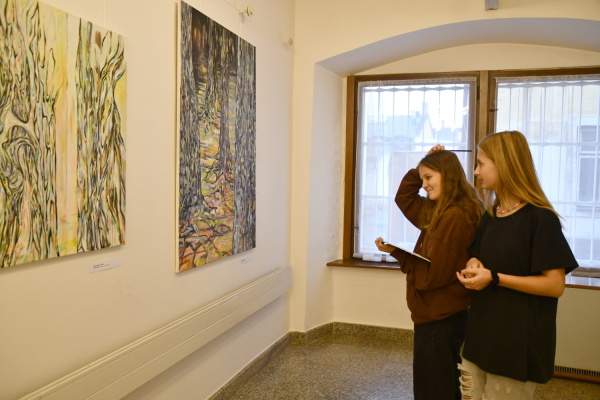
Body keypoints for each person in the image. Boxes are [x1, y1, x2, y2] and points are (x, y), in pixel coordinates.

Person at [456, 130, 578, 400]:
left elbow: (555, 285)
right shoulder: (492, 215)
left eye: (481, 164)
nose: (476, 172)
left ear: (504, 164)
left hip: (516, 343)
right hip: (481, 333)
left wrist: (495, 278)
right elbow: (477, 256)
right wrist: (474, 265)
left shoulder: (540, 219)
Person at [375, 145, 482, 400]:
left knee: (434, 388)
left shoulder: (454, 215)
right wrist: (421, 166)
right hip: (438, 312)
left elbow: (432, 276)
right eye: (422, 178)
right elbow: (405, 197)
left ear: (448, 175)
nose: (423, 185)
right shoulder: (440, 208)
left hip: (440, 315)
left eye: (429, 177)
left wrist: (400, 255)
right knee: (436, 382)